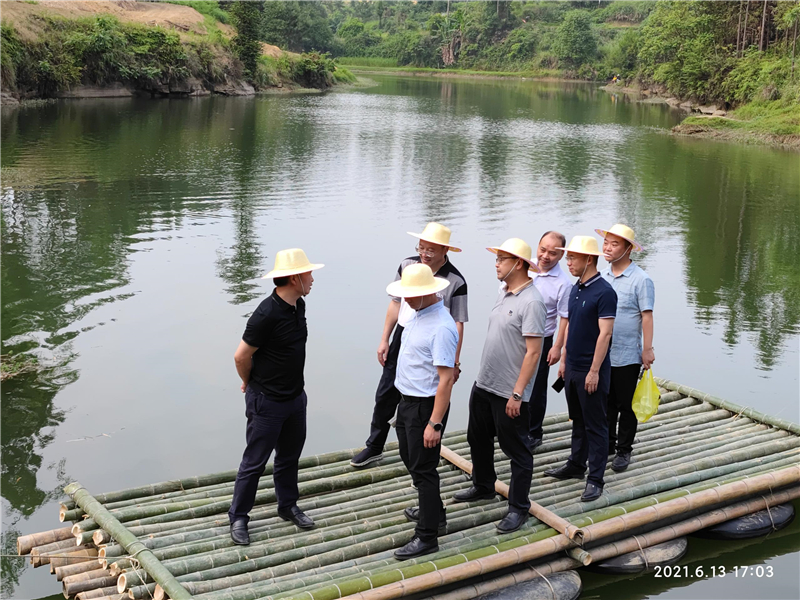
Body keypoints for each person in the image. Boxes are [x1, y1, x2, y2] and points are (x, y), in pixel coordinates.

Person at [351, 223, 468, 469]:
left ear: (445, 250)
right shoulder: (407, 265)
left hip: (433, 341)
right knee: (386, 392)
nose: (424, 254)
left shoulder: (455, 280)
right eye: (421, 247)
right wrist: (385, 338)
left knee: (427, 396)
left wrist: (455, 362)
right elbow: (396, 302)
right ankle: (375, 445)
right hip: (404, 334)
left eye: (431, 249)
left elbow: (458, 323)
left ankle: (426, 452)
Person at [228, 248, 324, 545]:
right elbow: (241, 356)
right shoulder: (266, 314)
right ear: (295, 278)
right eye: (309, 274)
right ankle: (239, 516)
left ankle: (287, 505)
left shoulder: (299, 305)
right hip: (267, 401)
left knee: (289, 456)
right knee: (255, 462)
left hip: (295, 397)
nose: (312, 279)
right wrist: (248, 383)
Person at [453, 239, 546, 533]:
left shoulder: (532, 302)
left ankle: (519, 507)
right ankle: (483, 485)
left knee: (517, 449)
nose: (496, 264)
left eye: (501, 259)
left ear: (518, 263)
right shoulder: (503, 291)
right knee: (477, 438)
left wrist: (518, 393)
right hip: (485, 382)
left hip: (509, 390)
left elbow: (534, 353)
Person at [387, 263, 458, 560]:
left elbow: (446, 379)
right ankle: (434, 512)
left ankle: (427, 536)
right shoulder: (418, 315)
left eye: (411, 294)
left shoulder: (441, 327)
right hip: (407, 401)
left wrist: (435, 423)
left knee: (424, 470)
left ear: (428, 292)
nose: (406, 298)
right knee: (411, 459)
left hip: (424, 405)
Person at [544, 236, 616, 503]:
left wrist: (594, 370)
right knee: (578, 419)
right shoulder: (576, 288)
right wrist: (564, 359)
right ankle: (576, 463)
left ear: (589, 259)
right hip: (573, 365)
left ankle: (595, 478)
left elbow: (605, 334)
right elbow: (571, 325)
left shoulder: (604, 292)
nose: (568, 262)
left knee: (596, 424)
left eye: (573, 257)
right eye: (568, 257)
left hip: (591, 368)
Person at [596, 224, 655, 473]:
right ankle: (607, 444)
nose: (608, 248)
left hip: (628, 353)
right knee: (606, 402)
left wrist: (647, 349)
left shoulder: (641, 279)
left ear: (629, 249)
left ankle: (624, 450)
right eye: (606, 243)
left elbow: (647, 316)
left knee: (627, 404)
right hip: (604, 352)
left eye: (615, 244)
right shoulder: (602, 276)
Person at [528, 231, 572, 450]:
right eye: (542, 250)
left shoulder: (563, 283)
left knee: (536, 387)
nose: (545, 256)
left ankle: (534, 432)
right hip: (515, 336)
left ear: (561, 255)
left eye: (552, 253)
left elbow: (565, 317)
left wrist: (557, 347)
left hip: (541, 339)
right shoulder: (524, 267)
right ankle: (511, 425)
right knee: (510, 382)